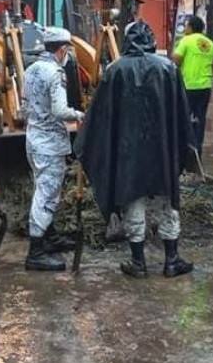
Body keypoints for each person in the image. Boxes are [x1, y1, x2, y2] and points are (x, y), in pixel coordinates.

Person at [75, 21, 194, 278]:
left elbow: (101, 115)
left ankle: (138, 262)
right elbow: (182, 113)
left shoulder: (116, 70)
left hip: (129, 152)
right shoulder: (168, 69)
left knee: (133, 202)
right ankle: (171, 260)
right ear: (152, 41)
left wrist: (88, 144)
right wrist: (183, 148)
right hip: (162, 150)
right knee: (168, 202)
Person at [22, 26, 86, 272]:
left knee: (42, 189)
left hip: (34, 139)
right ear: (62, 49)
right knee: (47, 196)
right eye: (67, 49)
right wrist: (80, 115)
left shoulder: (31, 70)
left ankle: (49, 237)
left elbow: (25, 104)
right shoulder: (55, 72)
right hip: (49, 144)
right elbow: (60, 110)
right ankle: (36, 252)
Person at [172, 15, 213, 157]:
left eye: (186, 25)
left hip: (189, 85)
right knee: (200, 118)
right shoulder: (211, 44)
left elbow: (176, 59)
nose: (185, 28)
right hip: (205, 86)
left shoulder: (186, 40)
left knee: (184, 117)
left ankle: (184, 148)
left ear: (190, 27)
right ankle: (197, 148)